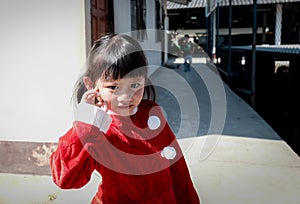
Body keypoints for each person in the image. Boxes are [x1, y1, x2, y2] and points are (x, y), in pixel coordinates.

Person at [50, 33, 200, 203]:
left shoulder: (152, 114)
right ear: (91, 85)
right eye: (113, 87)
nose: (125, 97)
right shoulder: (95, 129)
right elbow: (66, 178)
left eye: (135, 85)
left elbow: (178, 171)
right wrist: (84, 124)